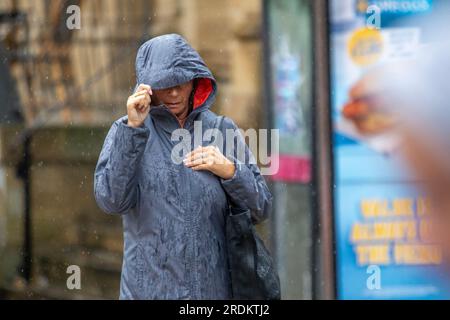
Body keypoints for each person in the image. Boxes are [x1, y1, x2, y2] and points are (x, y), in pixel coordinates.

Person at [93, 34, 272, 299]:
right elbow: (111, 200)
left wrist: (231, 171)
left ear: (195, 81)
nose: (175, 93)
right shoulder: (128, 129)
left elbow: (261, 208)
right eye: (165, 85)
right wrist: (133, 130)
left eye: (181, 82)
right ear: (148, 88)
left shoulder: (222, 130)